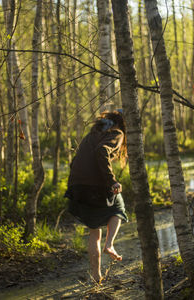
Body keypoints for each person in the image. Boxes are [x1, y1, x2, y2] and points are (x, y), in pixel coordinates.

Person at [65, 110, 128, 283]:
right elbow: (102, 151)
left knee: (94, 233)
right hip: (94, 186)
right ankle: (110, 245)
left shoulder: (93, 133)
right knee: (119, 206)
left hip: (78, 186)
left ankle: (96, 276)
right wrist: (112, 181)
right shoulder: (117, 133)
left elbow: (76, 160)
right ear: (122, 124)